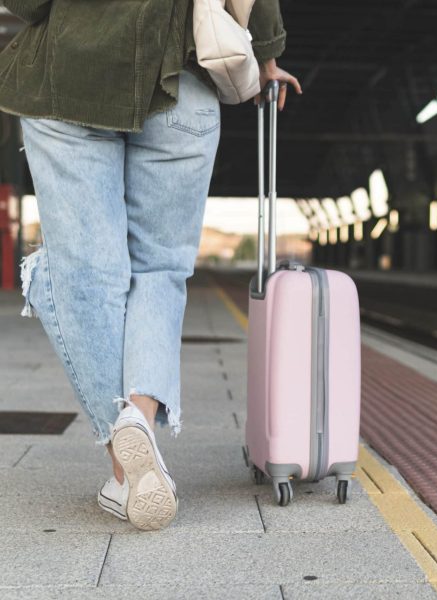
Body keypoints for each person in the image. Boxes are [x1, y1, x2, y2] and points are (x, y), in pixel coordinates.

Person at [0, 0, 301, 531]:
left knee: (87, 278)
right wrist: (268, 57)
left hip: (68, 79)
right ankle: (138, 416)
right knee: (161, 270)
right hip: (182, 83)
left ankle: (126, 469)